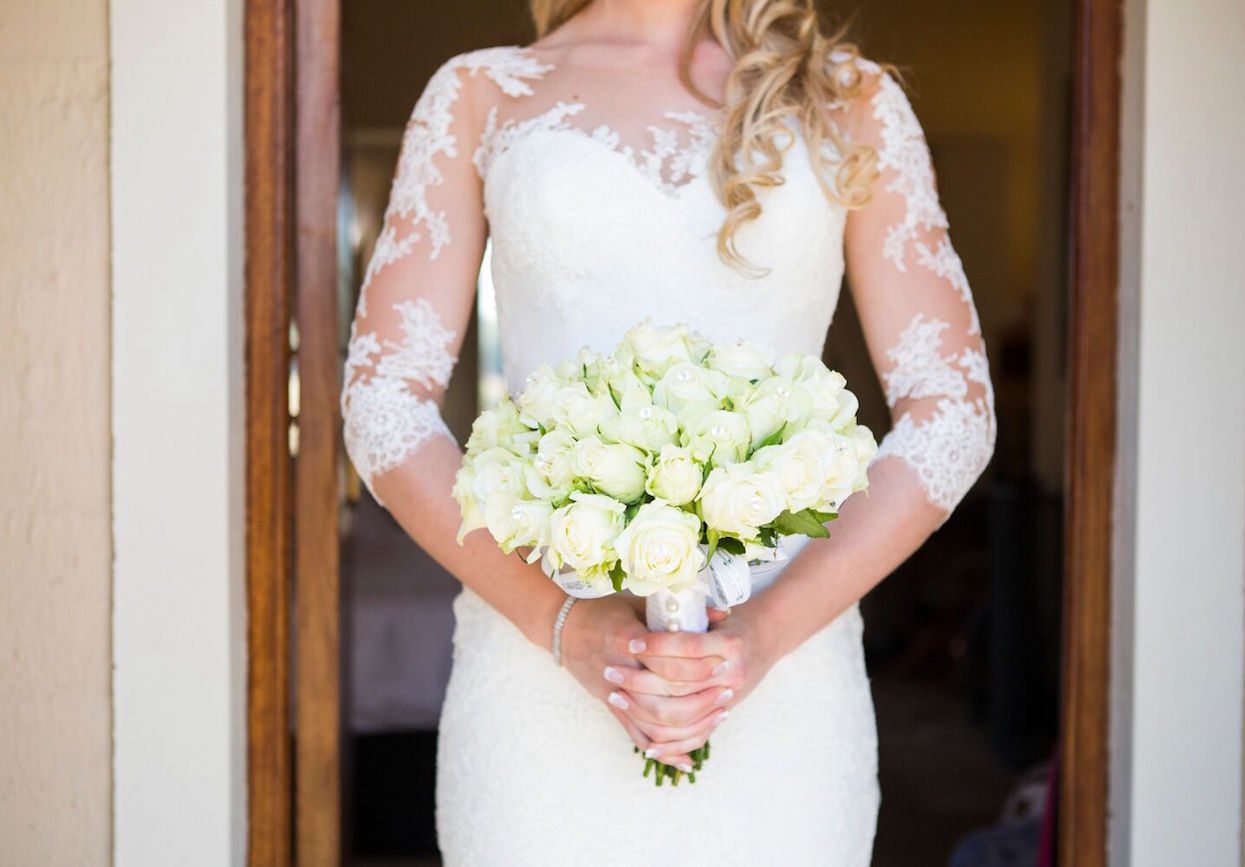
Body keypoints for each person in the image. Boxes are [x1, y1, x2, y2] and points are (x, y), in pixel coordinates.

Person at [339, 0, 995, 863]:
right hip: (538, 695)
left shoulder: (849, 99)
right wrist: (567, 626)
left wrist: (761, 634)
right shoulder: (479, 94)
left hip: (786, 694)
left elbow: (952, 406)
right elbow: (383, 402)